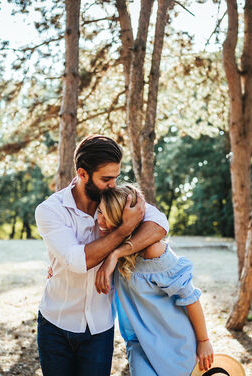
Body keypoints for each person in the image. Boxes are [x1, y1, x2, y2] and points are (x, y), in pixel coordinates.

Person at [34, 135, 169, 376]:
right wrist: (124, 230)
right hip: (55, 325)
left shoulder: (116, 200)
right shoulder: (49, 210)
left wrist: (115, 254)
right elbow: (78, 261)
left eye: (115, 177)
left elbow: (160, 224)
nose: (112, 185)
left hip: (100, 328)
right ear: (82, 174)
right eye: (106, 179)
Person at [94, 184, 214, 375]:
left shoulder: (153, 250)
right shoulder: (108, 244)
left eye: (104, 214)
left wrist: (204, 341)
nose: (98, 219)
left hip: (174, 343)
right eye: (98, 211)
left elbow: (190, 297)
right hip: (138, 345)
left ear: (119, 220)